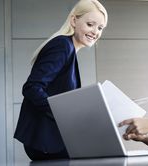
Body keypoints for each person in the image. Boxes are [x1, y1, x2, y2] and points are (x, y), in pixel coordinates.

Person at [14, 0, 108, 160]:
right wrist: (64, 114)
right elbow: (32, 87)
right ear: (74, 21)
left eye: (100, 28)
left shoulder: (69, 49)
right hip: (46, 140)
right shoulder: (62, 46)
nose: (95, 32)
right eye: (90, 24)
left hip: (53, 139)